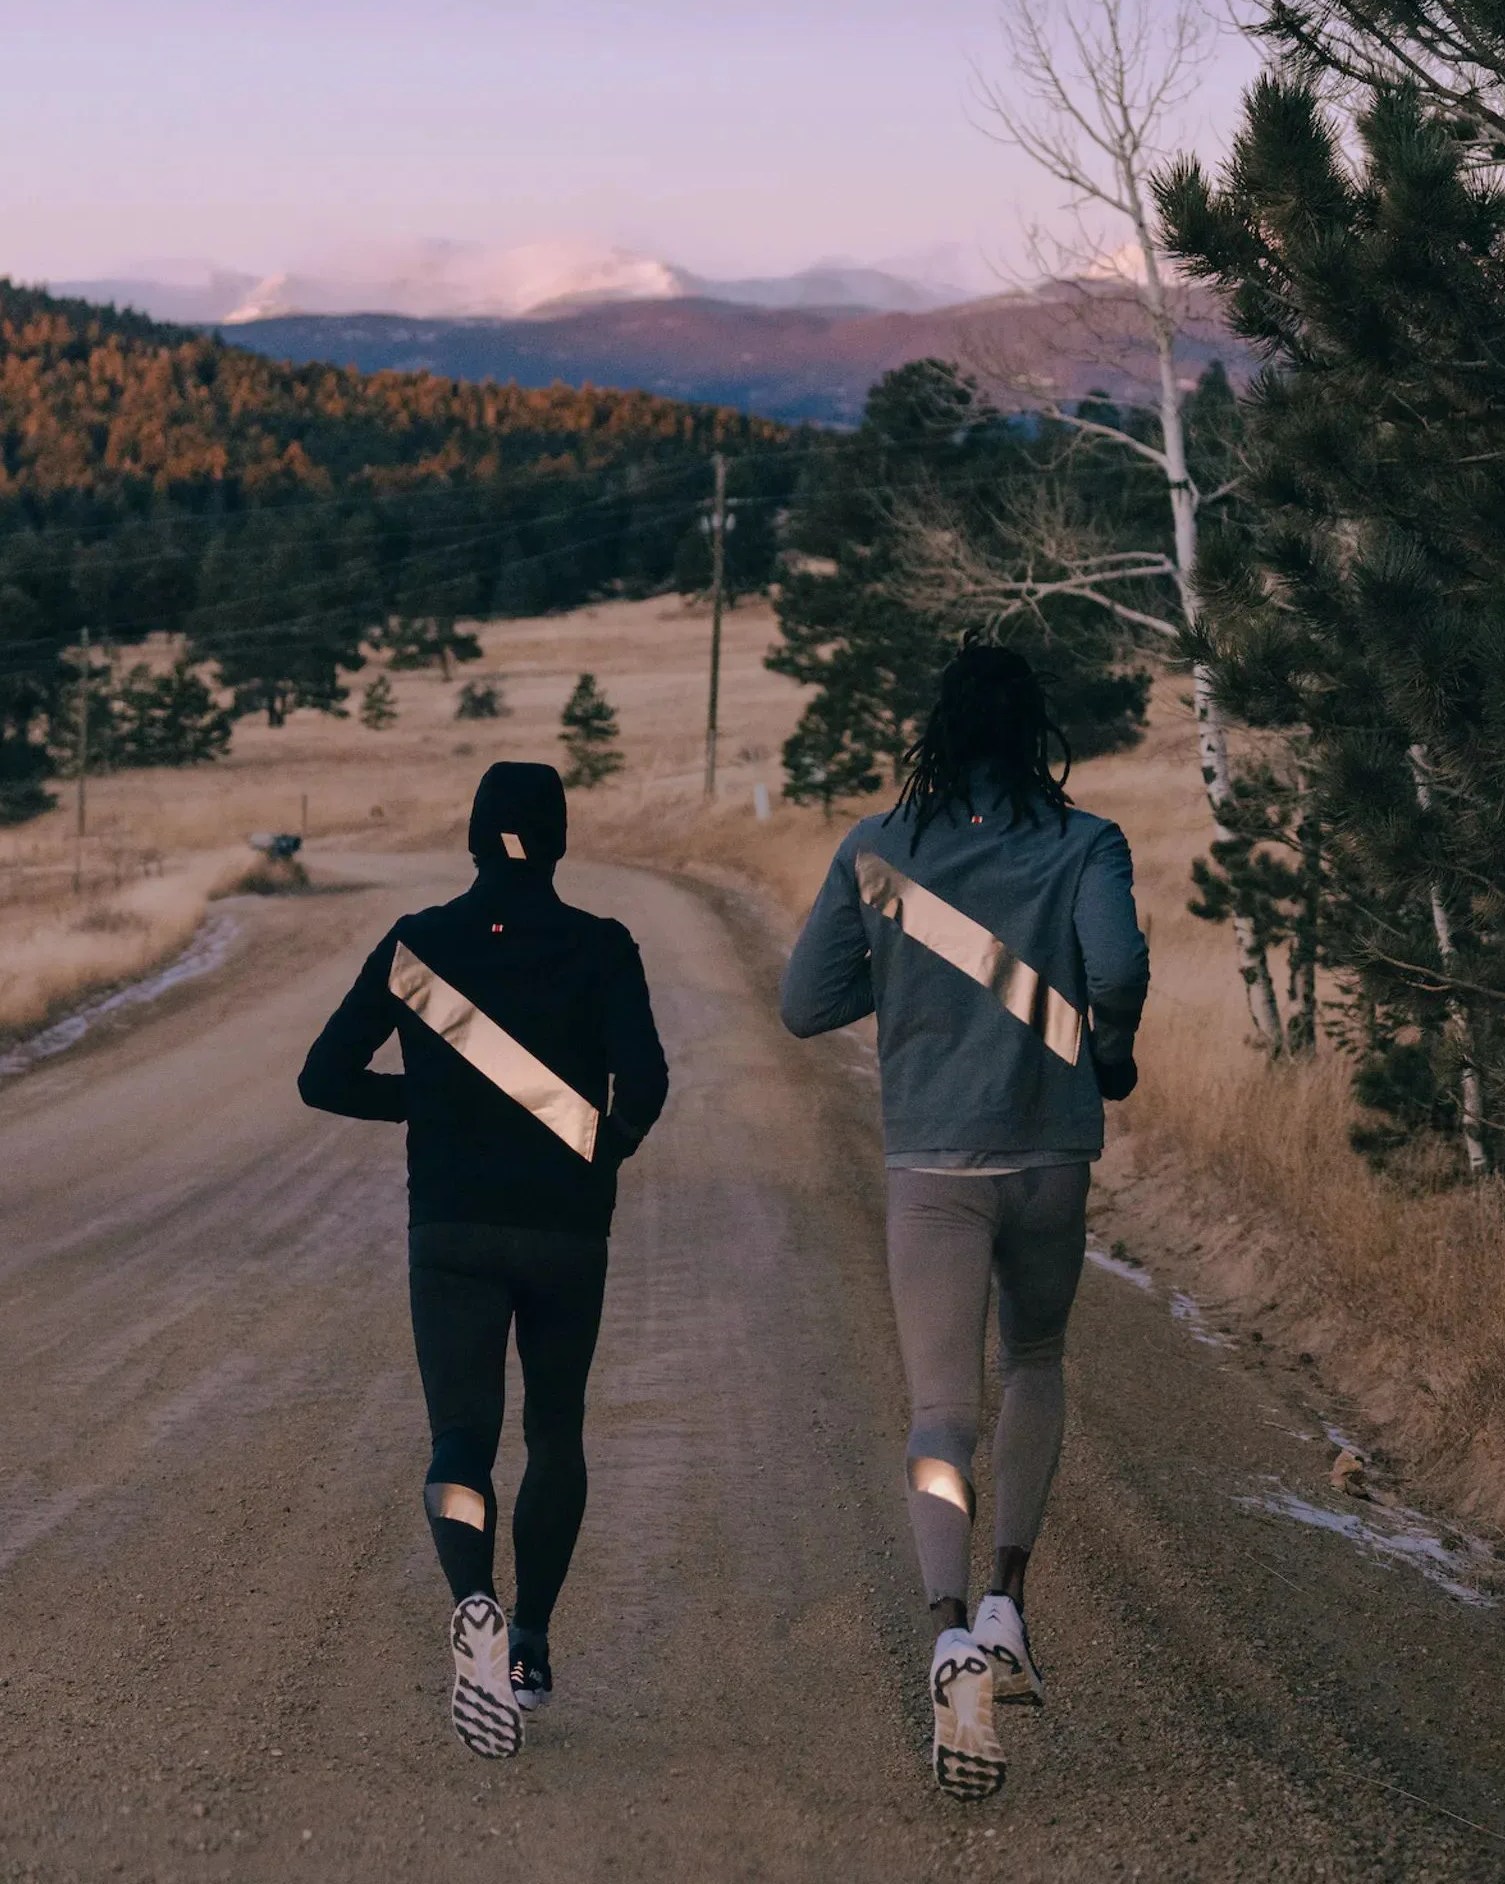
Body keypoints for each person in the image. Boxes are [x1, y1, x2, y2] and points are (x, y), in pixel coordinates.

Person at [779, 645, 1149, 1802]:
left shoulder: (881, 848)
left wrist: (907, 972)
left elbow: (803, 1003)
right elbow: (1119, 964)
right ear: (1037, 730)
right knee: (1033, 1358)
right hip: (1048, 1156)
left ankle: (945, 1635)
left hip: (932, 1163)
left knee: (940, 1408)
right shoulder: (1086, 842)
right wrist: (1110, 1046)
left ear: (933, 733)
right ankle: (1007, 1603)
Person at [298, 762, 668, 1760]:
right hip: (564, 1230)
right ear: (556, 842)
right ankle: (534, 1642)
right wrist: (599, 1153)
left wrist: (433, 1103)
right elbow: (649, 1081)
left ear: (469, 838)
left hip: (451, 1226)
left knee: (460, 1438)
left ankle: (475, 1605)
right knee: (555, 1430)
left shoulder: (419, 944)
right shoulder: (600, 947)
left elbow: (322, 1079)